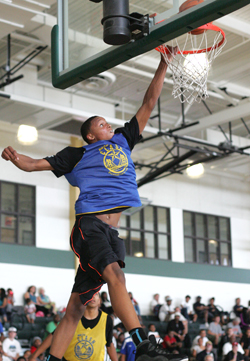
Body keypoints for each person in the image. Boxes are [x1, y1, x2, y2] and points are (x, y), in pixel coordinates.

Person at [2, 47, 187, 361]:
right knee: (116, 276)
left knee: (75, 309)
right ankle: (144, 346)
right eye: (102, 125)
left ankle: (51, 358)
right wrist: (16, 158)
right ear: (89, 135)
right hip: (89, 225)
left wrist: (163, 63)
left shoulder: (124, 140)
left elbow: (149, 102)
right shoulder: (77, 155)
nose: (109, 126)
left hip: (110, 233)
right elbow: (35, 164)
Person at [29, 292, 117, 361]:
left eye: (96, 294)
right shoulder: (73, 316)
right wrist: (34, 355)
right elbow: (54, 336)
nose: (93, 296)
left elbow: (109, 344)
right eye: (90, 293)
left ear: (100, 300)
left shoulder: (107, 319)